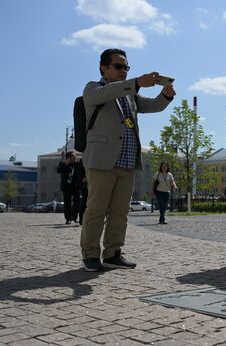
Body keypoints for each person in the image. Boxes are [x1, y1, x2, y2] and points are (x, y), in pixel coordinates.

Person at [80, 48, 176, 272]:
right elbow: (104, 95)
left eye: (126, 67)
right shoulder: (93, 88)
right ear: (104, 67)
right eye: (119, 66)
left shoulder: (129, 94)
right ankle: (90, 254)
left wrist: (166, 96)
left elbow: (151, 106)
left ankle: (113, 252)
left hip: (127, 162)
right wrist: (136, 82)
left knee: (120, 211)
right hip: (102, 161)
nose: (123, 70)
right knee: (96, 210)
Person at [57, 151, 80, 224]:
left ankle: (74, 217)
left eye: (75, 157)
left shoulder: (77, 164)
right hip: (66, 186)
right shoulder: (63, 164)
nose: (75, 158)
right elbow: (59, 171)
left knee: (77, 201)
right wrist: (65, 164)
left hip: (75, 185)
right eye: (73, 157)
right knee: (67, 202)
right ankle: (68, 218)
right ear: (69, 158)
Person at [75, 158, 87, 225]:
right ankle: (81, 219)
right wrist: (83, 177)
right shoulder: (83, 160)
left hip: (95, 183)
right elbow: (79, 171)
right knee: (84, 201)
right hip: (85, 185)